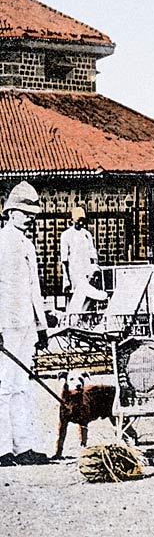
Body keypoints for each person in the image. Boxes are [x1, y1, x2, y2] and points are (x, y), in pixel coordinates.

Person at [0, 181, 51, 465]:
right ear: (10, 212)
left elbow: (35, 288)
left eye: (32, 212)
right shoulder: (1, 241)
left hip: (26, 326)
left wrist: (41, 326)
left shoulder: (28, 244)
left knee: (23, 384)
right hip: (5, 324)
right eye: (23, 211)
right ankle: (2, 448)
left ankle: (24, 447)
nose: (30, 217)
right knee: (3, 386)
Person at [59, 206, 98, 300]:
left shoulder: (87, 234)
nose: (81, 223)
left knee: (87, 300)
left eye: (83, 220)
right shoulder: (66, 235)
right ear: (72, 220)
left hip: (86, 273)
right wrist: (66, 279)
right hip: (73, 274)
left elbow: (93, 255)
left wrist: (94, 270)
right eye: (78, 220)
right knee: (74, 301)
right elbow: (64, 260)